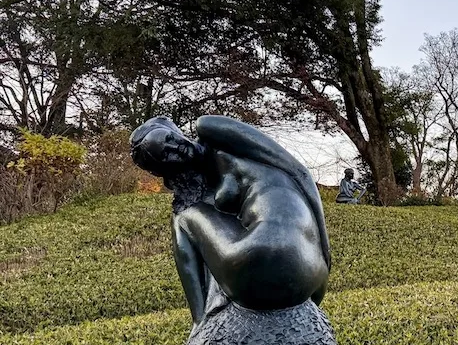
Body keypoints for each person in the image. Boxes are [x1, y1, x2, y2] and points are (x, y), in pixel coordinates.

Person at [130, 115, 332, 325]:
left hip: (269, 260)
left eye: (168, 138)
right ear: (163, 169)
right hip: (309, 272)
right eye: (165, 155)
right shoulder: (201, 183)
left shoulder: (210, 129)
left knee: (182, 217)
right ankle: (202, 322)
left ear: (174, 129)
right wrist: (322, 263)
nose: (175, 148)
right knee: (183, 208)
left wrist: (325, 247)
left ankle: (200, 321)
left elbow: (300, 172)